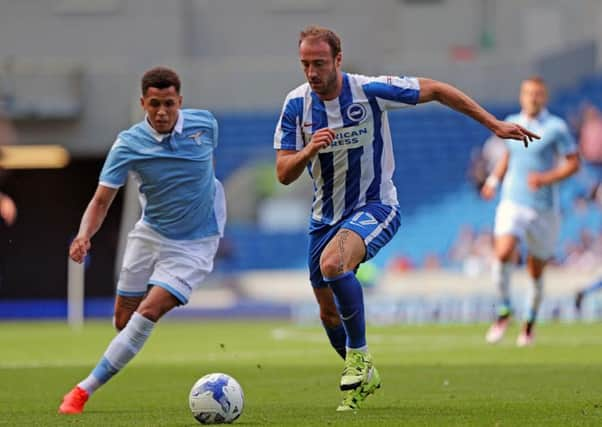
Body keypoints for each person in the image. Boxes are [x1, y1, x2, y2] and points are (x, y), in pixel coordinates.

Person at [273, 25, 538, 412]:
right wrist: (308, 150)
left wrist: (494, 125)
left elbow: (437, 89)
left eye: (319, 63)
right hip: (323, 218)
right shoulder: (296, 105)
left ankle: (359, 357)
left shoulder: (369, 91)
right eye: (305, 64)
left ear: (338, 60)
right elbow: (283, 173)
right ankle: (364, 372)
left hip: (376, 206)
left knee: (334, 264)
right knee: (327, 309)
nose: (312, 72)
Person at [58, 66, 226, 414]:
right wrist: (83, 235)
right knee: (123, 320)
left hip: (196, 243)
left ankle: (81, 391)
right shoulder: (128, 144)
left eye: (168, 104)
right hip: (149, 233)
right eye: (154, 105)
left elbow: (205, 171)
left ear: (180, 101)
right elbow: (101, 200)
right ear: (143, 103)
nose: (162, 112)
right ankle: (134, 332)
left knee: (148, 311)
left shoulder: (205, 125)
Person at [482, 76, 580, 347]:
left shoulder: (556, 128)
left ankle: (529, 323)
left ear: (544, 97)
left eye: (537, 94)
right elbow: (508, 155)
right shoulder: (512, 121)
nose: (533, 98)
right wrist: (492, 181)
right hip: (512, 201)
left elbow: (574, 163)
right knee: (502, 253)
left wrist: (545, 179)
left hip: (544, 209)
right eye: (528, 93)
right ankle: (504, 310)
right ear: (521, 96)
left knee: (535, 270)